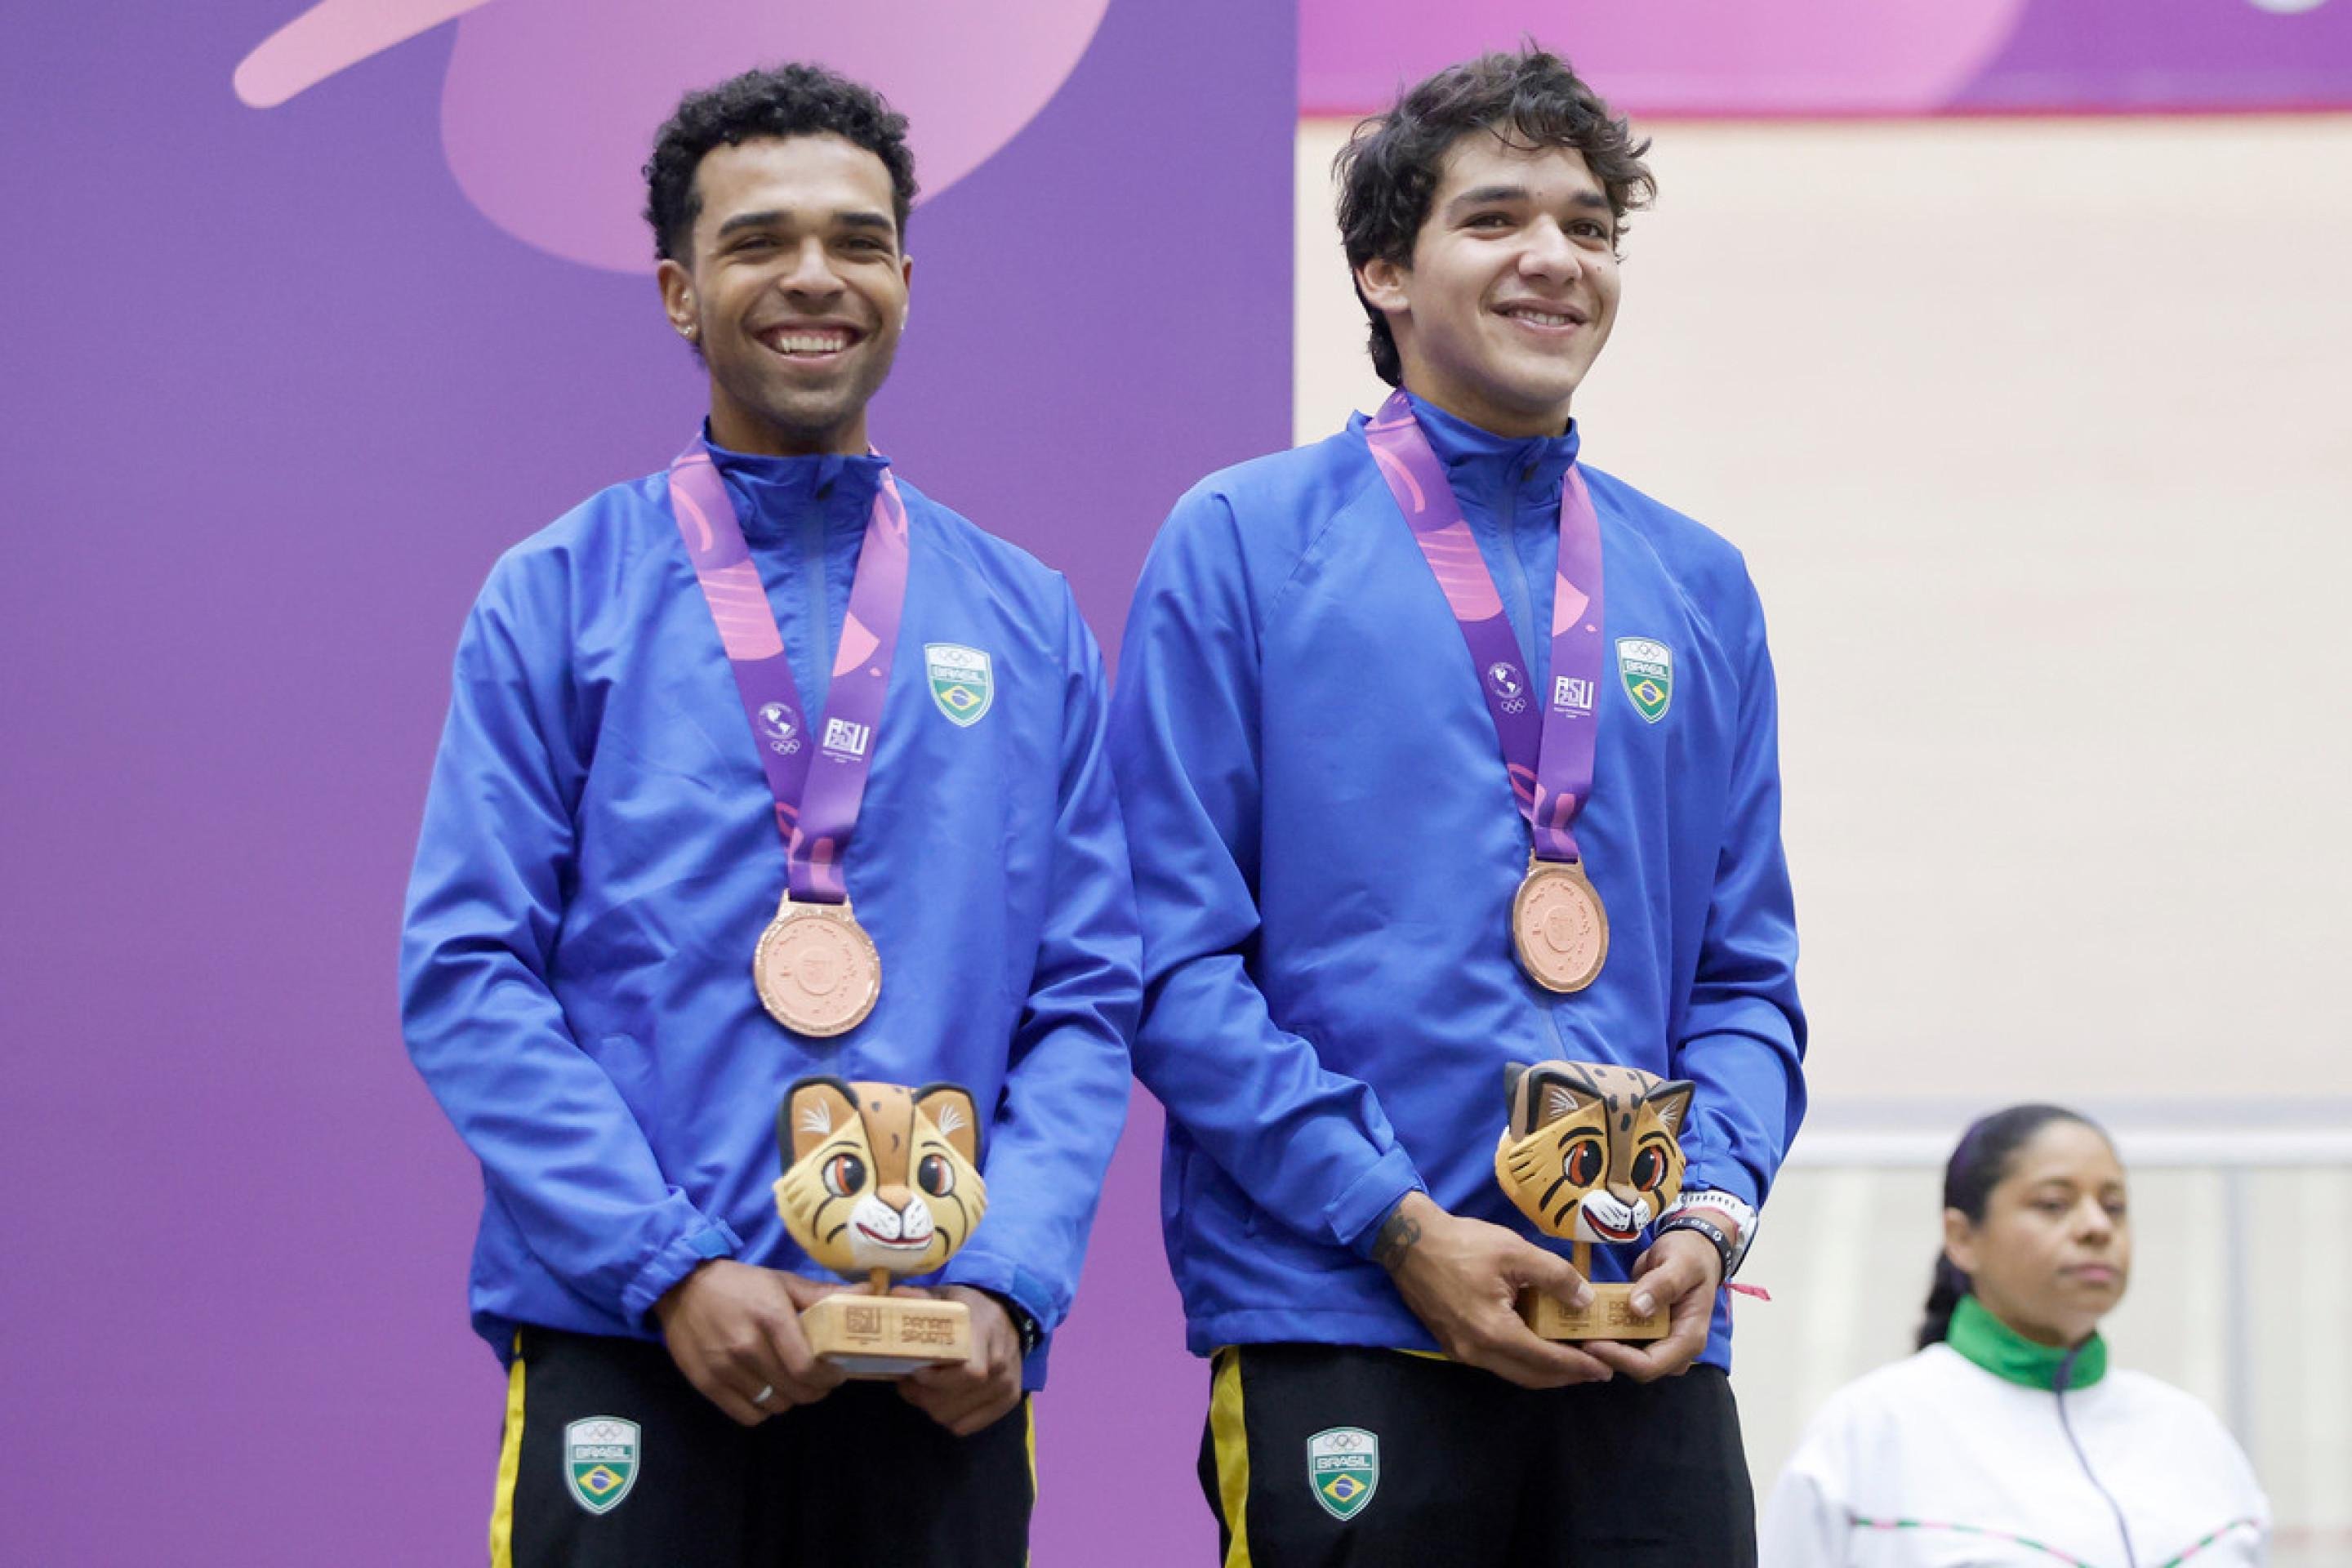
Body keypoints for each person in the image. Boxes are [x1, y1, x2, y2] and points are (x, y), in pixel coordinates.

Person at [398, 62, 1138, 1567]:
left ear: (907, 281)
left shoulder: (1026, 614)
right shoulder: (560, 593)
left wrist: (1008, 1278)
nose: (815, 277)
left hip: (938, 1366)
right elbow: (469, 977)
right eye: (758, 243)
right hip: (637, 1343)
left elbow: (1087, 997)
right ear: (679, 290)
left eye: (857, 242)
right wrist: (665, 1267)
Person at [1108, 44, 1805, 1566]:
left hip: (1641, 1333)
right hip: (1349, 1310)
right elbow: (1167, 961)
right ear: (1382, 272)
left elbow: (1746, 982)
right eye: (1496, 219)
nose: (1555, 257)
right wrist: (1395, 1224)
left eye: (1590, 226)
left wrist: (1707, 1219)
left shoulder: (1699, 583)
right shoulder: (1241, 544)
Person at [1761, 1106, 2270, 1566]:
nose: (2096, 1227)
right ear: (1962, 1237)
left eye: (2113, 1206)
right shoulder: (1871, 1431)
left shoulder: (2192, 1437)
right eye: (2053, 1204)